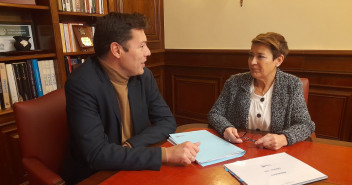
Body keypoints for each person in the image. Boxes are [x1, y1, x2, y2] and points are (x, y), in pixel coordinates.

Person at [61, 12, 200, 184]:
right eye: (141, 46)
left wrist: (131, 145)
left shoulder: (144, 76)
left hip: (135, 163)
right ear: (117, 50)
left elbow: (166, 121)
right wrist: (165, 154)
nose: (148, 52)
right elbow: (96, 154)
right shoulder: (82, 84)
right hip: (97, 175)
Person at [208, 32, 315, 150]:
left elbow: (306, 125)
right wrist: (225, 128)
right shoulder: (234, 82)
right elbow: (215, 113)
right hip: (238, 150)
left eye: (260, 56)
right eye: (251, 55)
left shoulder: (292, 85)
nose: (252, 62)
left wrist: (283, 138)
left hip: (276, 154)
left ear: (278, 60)